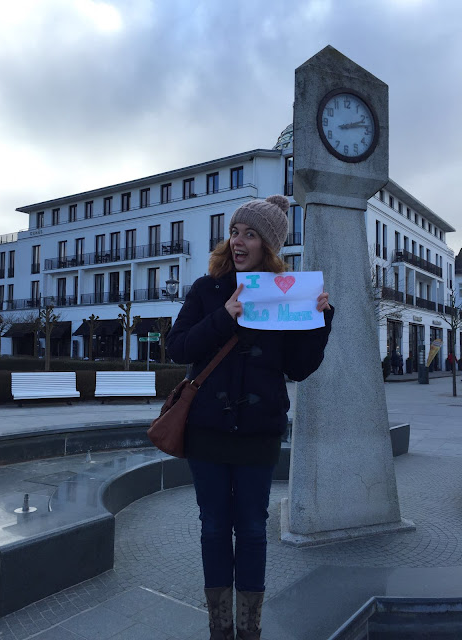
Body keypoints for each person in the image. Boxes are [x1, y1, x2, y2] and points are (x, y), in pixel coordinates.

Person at [166, 195, 334, 640]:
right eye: (235, 232)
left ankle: (249, 629)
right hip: (207, 432)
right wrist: (223, 317)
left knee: (254, 530)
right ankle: (219, 628)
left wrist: (320, 322)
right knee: (214, 528)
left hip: (259, 434)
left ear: (268, 246)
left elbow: (298, 368)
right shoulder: (206, 289)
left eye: (251, 234)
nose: (238, 241)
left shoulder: (285, 295)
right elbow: (177, 348)